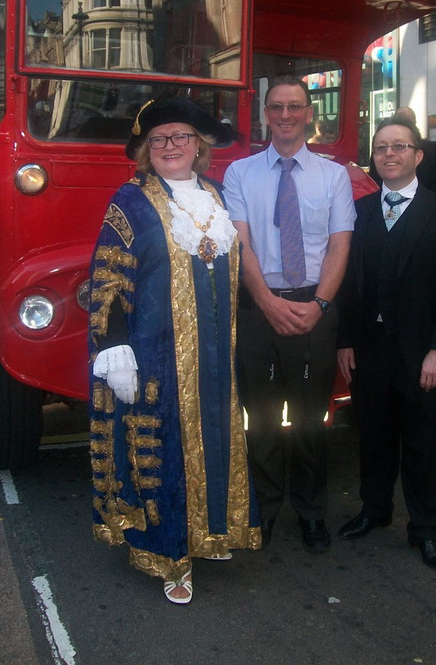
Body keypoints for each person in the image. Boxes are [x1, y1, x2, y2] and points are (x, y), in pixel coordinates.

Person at [88, 97, 261, 605]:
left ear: (198, 145)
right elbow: (107, 277)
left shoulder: (215, 194)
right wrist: (114, 347)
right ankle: (170, 557)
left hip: (215, 356)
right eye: (159, 139)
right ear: (146, 148)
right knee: (164, 454)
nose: (170, 146)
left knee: (218, 439)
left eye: (181, 136)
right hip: (157, 357)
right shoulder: (130, 201)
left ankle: (211, 533)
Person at [223, 75, 355, 553]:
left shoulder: (334, 176)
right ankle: (263, 509)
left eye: (294, 106)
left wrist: (319, 306)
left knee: (310, 419)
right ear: (265, 114)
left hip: (314, 308)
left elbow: (339, 246)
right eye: (276, 107)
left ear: (308, 114)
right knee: (259, 419)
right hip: (257, 309)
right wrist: (266, 301)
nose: (285, 115)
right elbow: (240, 244)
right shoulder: (239, 174)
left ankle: (311, 513)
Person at [337, 115, 436, 572]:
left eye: (399, 146)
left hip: (420, 353)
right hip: (369, 348)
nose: (389, 154)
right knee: (373, 436)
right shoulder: (359, 211)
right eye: (381, 148)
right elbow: (350, 284)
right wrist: (346, 341)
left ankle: (426, 529)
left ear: (418, 155)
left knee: (422, 443)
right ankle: (374, 509)